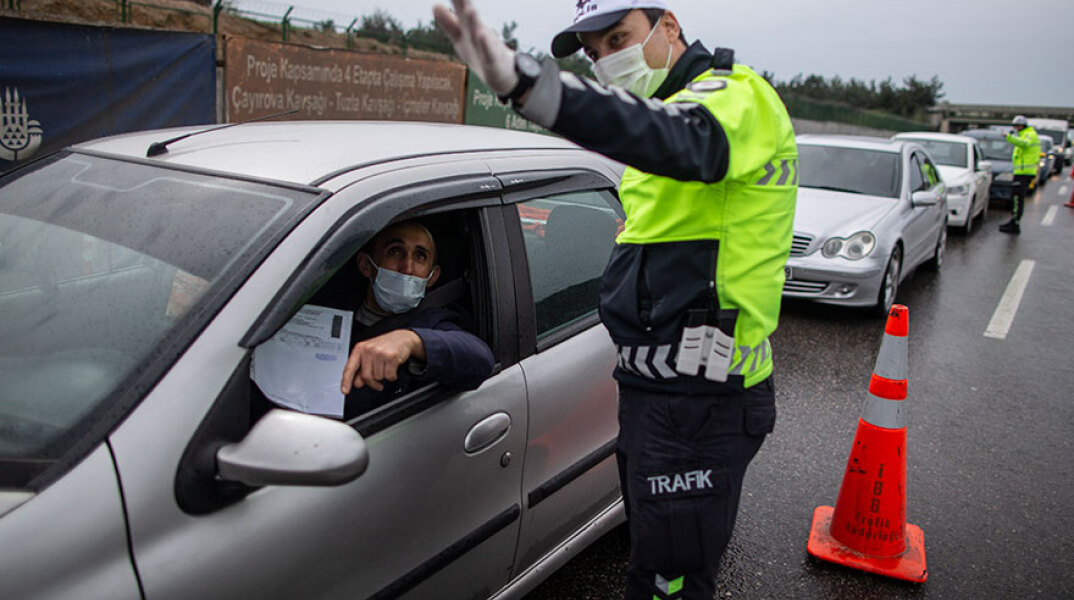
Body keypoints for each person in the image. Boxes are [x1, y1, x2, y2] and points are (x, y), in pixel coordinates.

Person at [433, 2, 796, 599]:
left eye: (618, 37)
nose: (607, 59)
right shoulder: (666, 116)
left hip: (703, 401)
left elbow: (676, 140)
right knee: (651, 561)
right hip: (654, 394)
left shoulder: (735, 97)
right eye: (595, 51)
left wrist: (531, 87)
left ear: (670, 26)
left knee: (666, 585)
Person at [338, 220, 494, 418]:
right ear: (366, 265)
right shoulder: (333, 305)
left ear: (432, 277)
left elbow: (480, 358)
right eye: (395, 252)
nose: (407, 267)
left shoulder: (432, 323)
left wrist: (411, 341)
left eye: (420, 256)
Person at [1000, 115, 1040, 234]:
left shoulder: (1029, 134)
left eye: (1017, 126)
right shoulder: (1024, 134)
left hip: (1024, 172)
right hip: (1021, 172)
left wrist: (1009, 137)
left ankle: (1015, 223)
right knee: (1015, 197)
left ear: (1022, 126)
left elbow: (1024, 144)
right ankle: (1013, 221)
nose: (1016, 129)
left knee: (1017, 198)